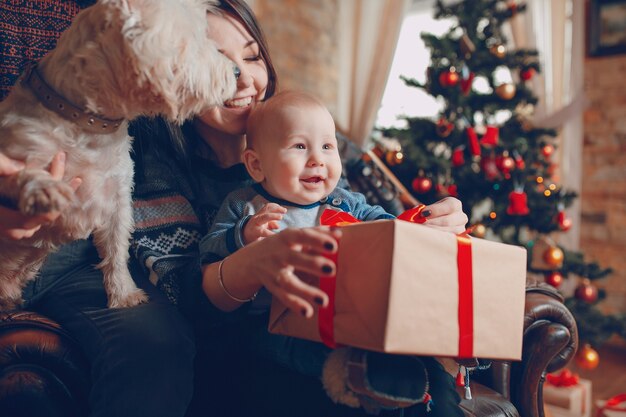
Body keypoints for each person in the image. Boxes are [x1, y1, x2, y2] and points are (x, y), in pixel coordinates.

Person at [2, 1, 467, 416]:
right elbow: (185, 299)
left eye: (250, 56)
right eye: (217, 61)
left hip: (343, 320)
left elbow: (386, 212)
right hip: (256, 350)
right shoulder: (148, 160)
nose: (242, 79)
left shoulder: (311, 131)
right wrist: (248, 258)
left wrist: (434, 219)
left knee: (431, 380)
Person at [200, 90, 395, 263]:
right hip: (269, 301)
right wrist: (243, 234)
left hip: (338, 298)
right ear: (256, 165)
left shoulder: (345, 202)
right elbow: (208, 250)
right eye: (300, 146)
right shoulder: (243, 205)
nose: (317, 160)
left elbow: (385, 225)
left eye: (327, 146)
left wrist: (399, 226)